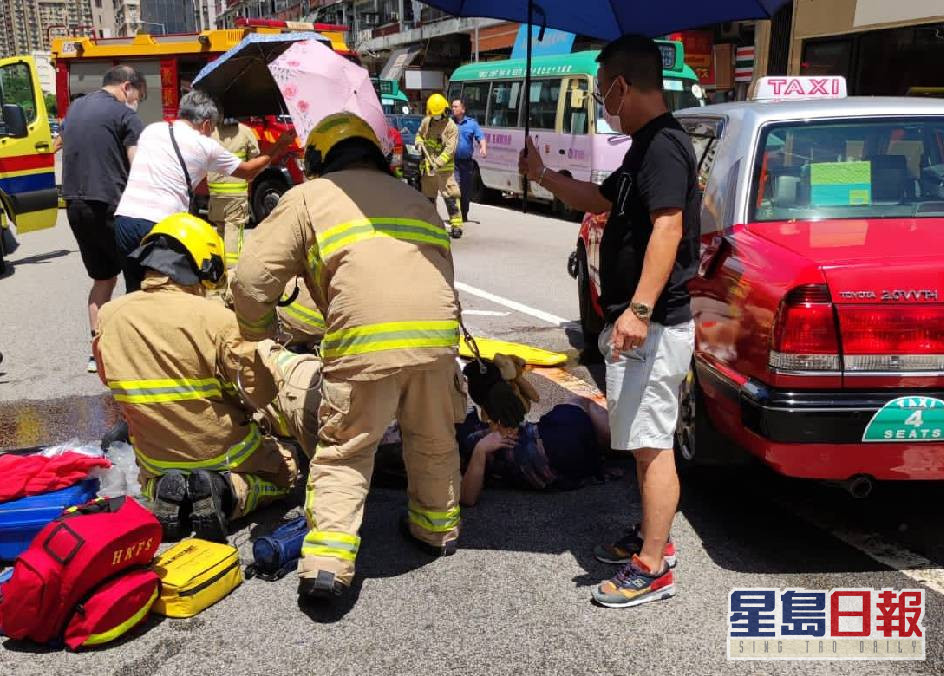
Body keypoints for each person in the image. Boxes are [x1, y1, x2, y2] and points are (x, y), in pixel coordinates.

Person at [232, 112, 465, 603]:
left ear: (318, 161)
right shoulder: (417, 199)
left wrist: (256, 332)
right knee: (433, 437)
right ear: (377, 155)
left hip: (363, 344)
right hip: (435, 339)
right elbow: (444, 269)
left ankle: (327, 565)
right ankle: (436, 529)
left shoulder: (307, 198)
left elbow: (253, 278)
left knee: (346, 449)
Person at [518, 34, 699, 610]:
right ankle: (652, 537)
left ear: (622, 85)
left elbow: (668, 228)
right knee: (642, 440)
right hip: (637, 319)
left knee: (650, 444)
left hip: (655, 321)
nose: (601, 99)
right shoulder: (640, 146)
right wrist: (543, 176)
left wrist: (641, 310)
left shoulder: (664, 145)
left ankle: (653, 565)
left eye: (602, 89)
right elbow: (600, 199)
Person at [93, 213, 303, 542]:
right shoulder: (217, 319)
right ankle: (226, 491)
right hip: (224, 453)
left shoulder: (109, 316)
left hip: (156, 458)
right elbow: (259, 392)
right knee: (285, 471)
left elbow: (109, 378)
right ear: (201, 266)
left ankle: (165, 491)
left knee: (155, 474)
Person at [113, 90, 295, 292]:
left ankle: (130, 322)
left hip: (125, 218)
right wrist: (280, 144)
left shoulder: (152, 130)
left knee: (134, 290)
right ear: (207, 123)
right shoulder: (206, 145)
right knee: (165, 291)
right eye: (212, 128)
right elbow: (249, 171)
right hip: (161, 224)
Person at [60, 65, 145, 373]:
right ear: (127, 87)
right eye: (139, 95)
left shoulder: (77, 106)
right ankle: (135, 350)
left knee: (103, 279)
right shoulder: (124, 115)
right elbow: (137, 164)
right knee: (138, 277)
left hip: (75, 204)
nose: (137, 101)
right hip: (111, 205)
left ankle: (98, 351)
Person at [208, 118, 261, 269]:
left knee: (220, 231)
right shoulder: (245, 132)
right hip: (236, 195)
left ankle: (217, 269)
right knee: (234, 231)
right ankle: (232, 271)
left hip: (215, 194)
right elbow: (255, 158)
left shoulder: (211, 132)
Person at [416, 93, 463, 239]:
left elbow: (450, 149)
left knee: (451, 197)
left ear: (445, 110)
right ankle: (431, 224)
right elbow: (419, 135)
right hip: (429, 170)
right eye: (434, 115)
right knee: (428, 198)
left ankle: (456, 225)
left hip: (444, 171)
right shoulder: (426, 122)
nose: (436, 117)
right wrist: (418, 142)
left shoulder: (451, 127)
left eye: (439, 114)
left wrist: (438, 163)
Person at [451, 99, 486, 224]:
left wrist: (483, 147)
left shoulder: (472, 124)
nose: (453, 108)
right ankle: (455, 214)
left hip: (466, 164)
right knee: (455, 189)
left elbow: (480, 137)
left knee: (465, 191)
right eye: (452, 106)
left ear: (463, 109)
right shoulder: (449, 123)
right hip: (452, 163)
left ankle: (464, 212)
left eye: (456, 106)